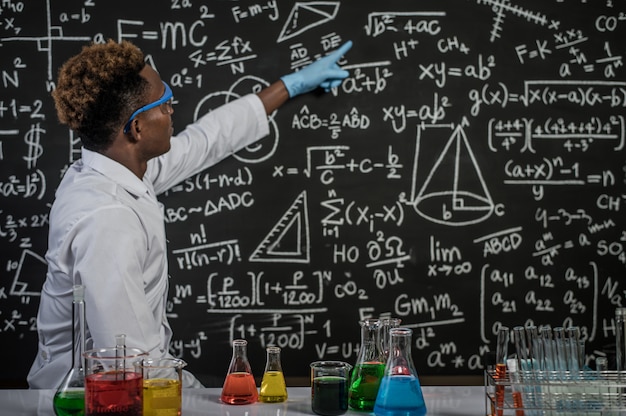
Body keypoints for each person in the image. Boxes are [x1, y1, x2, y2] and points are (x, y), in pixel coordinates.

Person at [28, 39, 352, 389]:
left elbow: (205, 141)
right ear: (136, 129)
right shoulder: (106, 220)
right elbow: (132, 363)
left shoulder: (112, 169)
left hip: (126, 382)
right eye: (164, 103)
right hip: (91, 398)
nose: (171, 110)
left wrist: (290, 85)